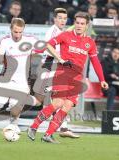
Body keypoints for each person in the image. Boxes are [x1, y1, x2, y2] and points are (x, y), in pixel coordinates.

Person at [28, 11, 108, 143]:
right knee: (58, 103)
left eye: (82, 23)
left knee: (67, 107)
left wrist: (102, 79)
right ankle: (34, 126)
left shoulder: (90, 42)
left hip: (76, 79)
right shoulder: (65, 35)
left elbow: (96, 62)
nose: (79, 25)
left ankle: (48, 135)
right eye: (77, 23)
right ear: (74, 23)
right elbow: (48, 44)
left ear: (87, 26)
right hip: (62, 73)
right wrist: (42, 52)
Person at [33, 8, 79, 138]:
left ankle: (60, 128)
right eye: (60, 18)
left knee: (55, 100)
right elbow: (49, 48)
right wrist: (63, 59)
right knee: (50, 101)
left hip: (57, 68)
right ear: (54, 19)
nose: (62, 21)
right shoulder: (53, 31)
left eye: (64, 19)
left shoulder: (62, 32)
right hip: (50, 67)